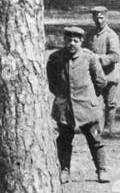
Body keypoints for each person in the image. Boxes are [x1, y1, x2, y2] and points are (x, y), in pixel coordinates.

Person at [46, 26, 108, 184]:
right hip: (65, 108)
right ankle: (64, 170)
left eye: (75, 41)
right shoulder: (56, 58)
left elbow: (100, 81)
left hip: (87, 108)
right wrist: (62, 97)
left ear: (81, 42)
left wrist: (91, 97)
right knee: (64, 141)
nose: (71, 44)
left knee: (95, 139)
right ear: (64, 41)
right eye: (68, 40)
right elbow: (52, 83)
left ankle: (101, 170)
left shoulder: (89, 57)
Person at [83, 6, 120, 135]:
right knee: (90, 102)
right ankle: (93, 127)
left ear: (106, 18)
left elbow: (115, 56)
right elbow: (83, 51)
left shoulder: (111, 35)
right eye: (96, 17)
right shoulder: (89, 35)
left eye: (101, 18)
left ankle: (107, 128)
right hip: (93, 76)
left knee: (110, 103)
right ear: (93, 18)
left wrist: (97, 59)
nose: (99, 21)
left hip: (109, 75)